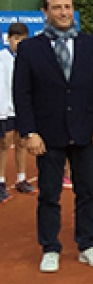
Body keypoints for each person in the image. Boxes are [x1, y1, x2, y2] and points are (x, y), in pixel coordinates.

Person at [14, 0, 93, 273]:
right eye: (56, 8)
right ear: (45, 12)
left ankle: (87, 245)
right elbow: (22, 94)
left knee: (87, 192)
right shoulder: (30, 49)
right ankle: (50, 247)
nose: (63, 12)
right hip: (47, 135)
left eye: (68, 7)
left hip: (85, 132)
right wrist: (29, 132)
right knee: (48, 194)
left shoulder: (92, 45)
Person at [0, 22, 34, 201]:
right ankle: (1, 181)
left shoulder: (27, 58)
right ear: (9, 39)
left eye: (23, 39)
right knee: (4, 145)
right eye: (16, 39)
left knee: (22, 143)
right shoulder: (2, 58)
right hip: (6, 110)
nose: (19, 43)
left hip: (22, 109)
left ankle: (21, 179)